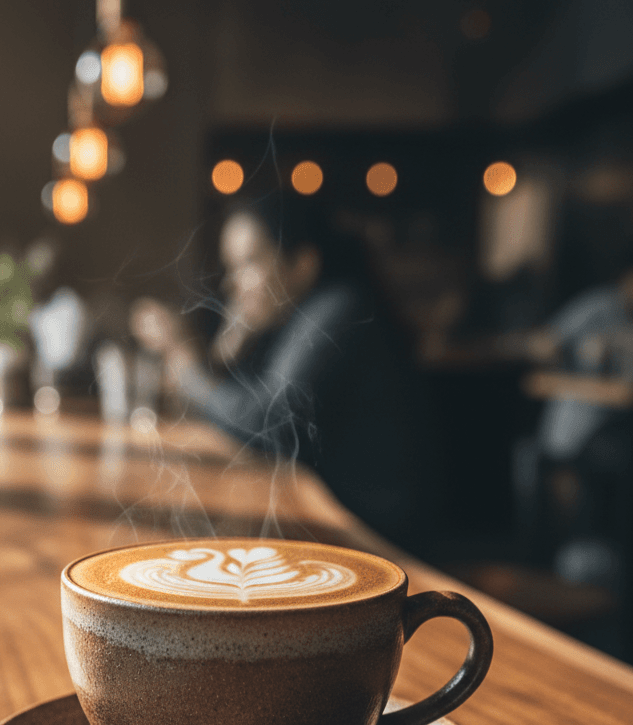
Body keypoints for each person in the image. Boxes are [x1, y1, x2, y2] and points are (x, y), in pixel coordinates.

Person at [130, 191, 436, 550]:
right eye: (231, 267)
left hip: (372, 535)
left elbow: (269, 422)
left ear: (302, 263)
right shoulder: (295, 318)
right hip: (325, 518)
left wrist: (186, 365)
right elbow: (244, 414)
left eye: (248, 264)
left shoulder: (337, 311)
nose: (231, 283)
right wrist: (227, 354)